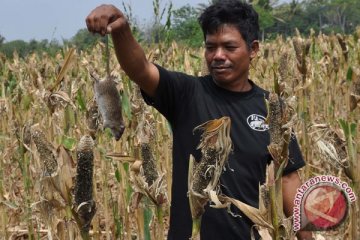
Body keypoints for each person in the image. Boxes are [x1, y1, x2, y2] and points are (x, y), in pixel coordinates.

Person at [86, 1, 312, 239]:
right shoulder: (187, 94)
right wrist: (121, 30)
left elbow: (288, 178)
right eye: (210, 47)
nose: (218, 56)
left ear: (253, 49)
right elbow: (140, 69)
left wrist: (306, 236)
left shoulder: (272, 108)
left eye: (229, 47)